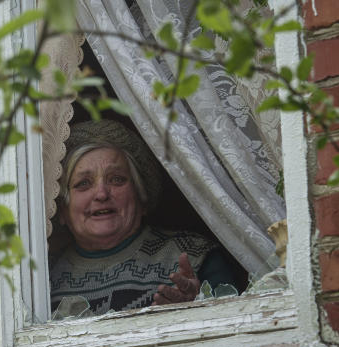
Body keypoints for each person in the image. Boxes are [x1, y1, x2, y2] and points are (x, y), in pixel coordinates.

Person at [49, 119, 237, 316]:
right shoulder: (41, 280)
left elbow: (235, 326)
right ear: (62, 209)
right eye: (83, 183)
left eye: (117, 179)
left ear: (141, 195)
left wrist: (198, 307)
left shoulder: (194, 255)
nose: (102, 194)